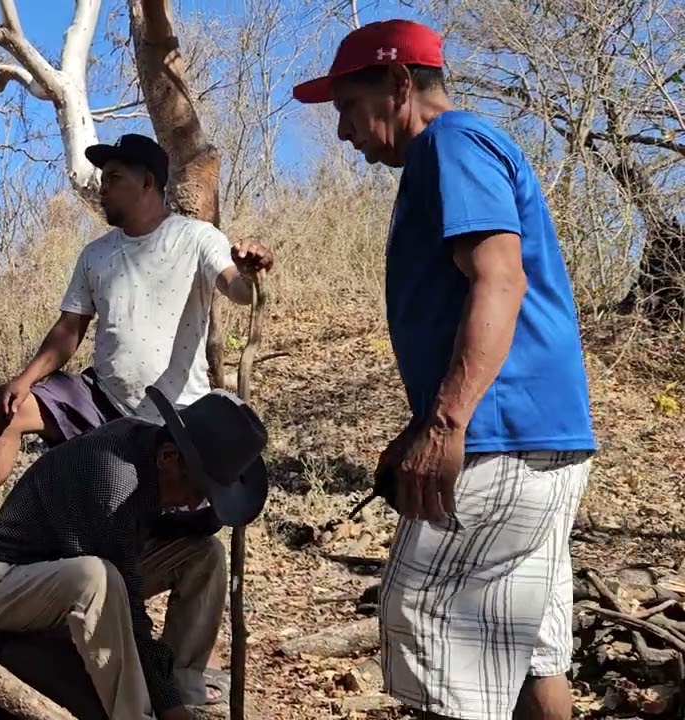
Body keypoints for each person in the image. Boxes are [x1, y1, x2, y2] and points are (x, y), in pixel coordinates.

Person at [292, 19, 597, 720]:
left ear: (399, 85)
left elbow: (499, 280)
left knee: (425, 620)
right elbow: (469, 302)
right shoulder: (464, 152)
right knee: (531, 650)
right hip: (546, 441)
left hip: (501, 442)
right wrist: (418, 422)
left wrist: (447, 421)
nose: (342, 132)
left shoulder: (449, 145)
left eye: (346, 107)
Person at [0, 132, 275, 557]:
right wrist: (23, 379)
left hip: (177, 419)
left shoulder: (196, 238)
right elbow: (69, 329)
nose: (103, 188)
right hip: (101, 399)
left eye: (114, 177)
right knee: (11, 408)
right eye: (103, 177)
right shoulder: (95, 255)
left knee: (187, 528)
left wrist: (250, 271)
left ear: (149, 182)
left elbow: (238, 289)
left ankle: (110, 579)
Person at [0, 385, 270, 720]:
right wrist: (166, 706)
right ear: (169, 457)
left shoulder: (148, 451)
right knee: (98, 577)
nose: (195, 502)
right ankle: (137, 714)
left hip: (63, 578)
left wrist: (206, 517)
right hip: (1, 585)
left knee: (204, 554)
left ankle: (186, 685)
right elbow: (129, 605)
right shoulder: (115, 479)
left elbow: (158, 534)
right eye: (196, 489)